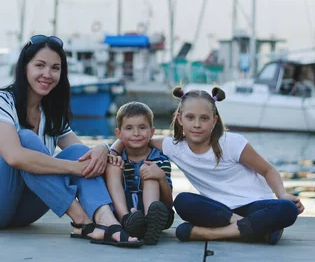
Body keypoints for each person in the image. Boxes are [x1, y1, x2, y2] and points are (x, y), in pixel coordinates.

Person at [0, 35, 141, 248]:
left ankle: (107, 221)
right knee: (26, 139)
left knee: (78, 151)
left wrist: (101, 148)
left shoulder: (52, 112)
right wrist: (73, 168)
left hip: (22, 212)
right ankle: (82, 220)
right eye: (40, 66)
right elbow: (14, 156)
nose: (47, 74)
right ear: (24, 67)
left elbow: (81, 153)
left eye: (55, 68)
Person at [112, 86, 304, 245]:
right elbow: (137, 140)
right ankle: (256, 231)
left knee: (287, 209)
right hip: (220, 211)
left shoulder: (232, 143)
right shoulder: (175, 147)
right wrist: (112, 151)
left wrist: (282, 194)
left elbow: (267, 170)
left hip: (255, 205)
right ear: (180, 119)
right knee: (183, 201)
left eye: (204, 118)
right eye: (190, 117)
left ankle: (208, 234)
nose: (197, 124)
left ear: (214, 121)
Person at [105, 102, 174, 245]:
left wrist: (160, 177)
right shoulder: (117, 158)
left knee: (149, 171)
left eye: (142, 128)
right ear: (119, 134)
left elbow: (168, 202)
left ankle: (150, 222)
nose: (136, 133)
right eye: (129, 128)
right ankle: (126, 219)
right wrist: (112, 155)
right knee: (112, 166)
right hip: (124, 210)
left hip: (158, 212)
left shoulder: (160, 159)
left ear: (152, 132)